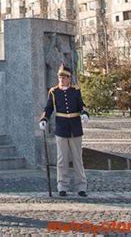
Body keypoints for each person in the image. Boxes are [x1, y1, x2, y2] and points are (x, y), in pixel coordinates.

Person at [39, 63, 89, 197]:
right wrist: (44, 119)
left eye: (64, 77)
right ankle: (62, 185)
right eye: (60, 77)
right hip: (61, 127)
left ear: (69, 78)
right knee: (62, 159)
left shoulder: (75, 91)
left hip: (75, 127)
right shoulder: (54, 92)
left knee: (77, 158)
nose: (61, 80)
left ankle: (81, 186)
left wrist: (84, 113)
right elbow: (48, 108)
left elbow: (81, 105)